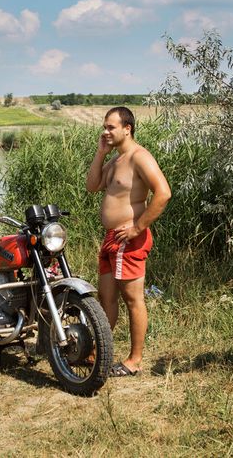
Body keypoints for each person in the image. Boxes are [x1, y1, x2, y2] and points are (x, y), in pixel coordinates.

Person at [86, 106, 171, 376]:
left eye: (110, 127)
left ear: (127, 128)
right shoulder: (115, 160)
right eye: (104, 127)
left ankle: (134, 361)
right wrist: (101, 153)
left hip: (129, 239)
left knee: (133, 299)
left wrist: (137, 228)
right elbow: (92, 186)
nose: (105, 131)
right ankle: (96, 352)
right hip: (111, 239)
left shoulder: (139, 157)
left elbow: (163, 193)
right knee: (106, 297)